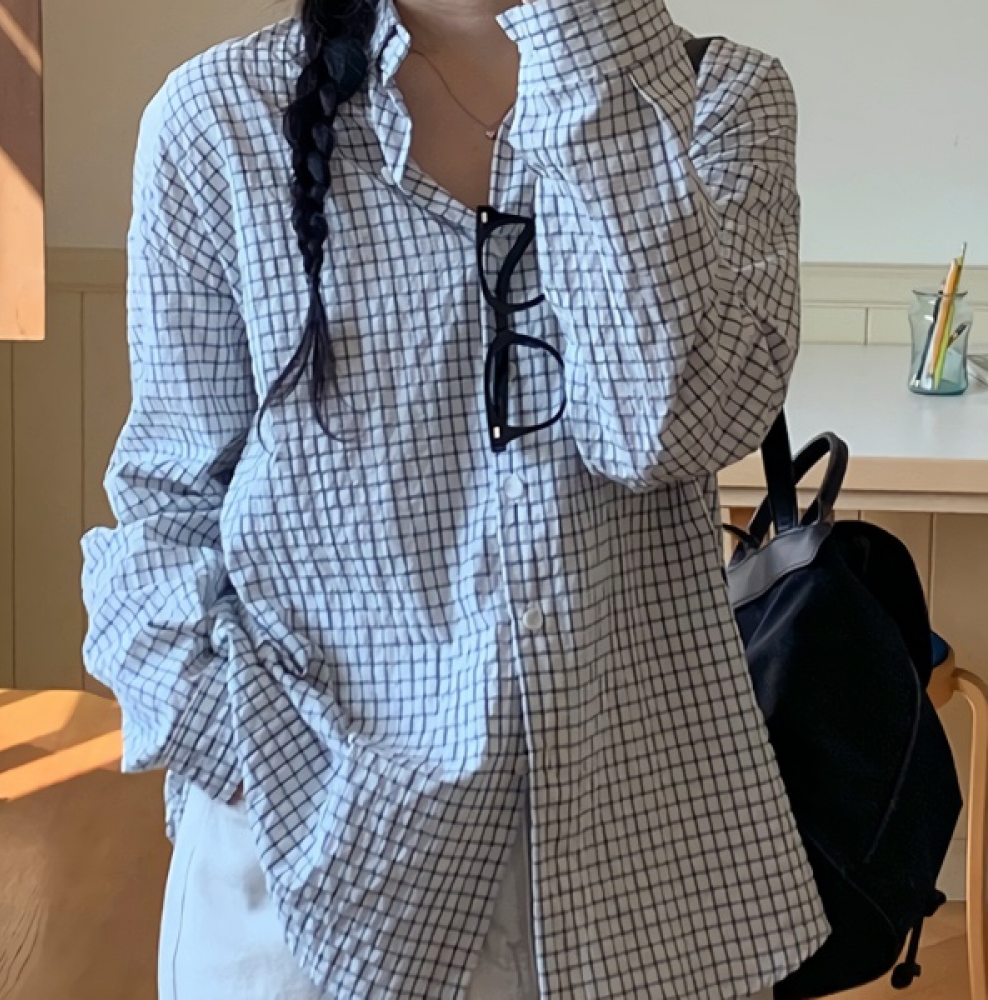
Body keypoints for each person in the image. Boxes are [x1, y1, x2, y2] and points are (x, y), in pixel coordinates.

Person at [80, 0, 832, 995]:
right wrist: (249, 749)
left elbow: (664, 426)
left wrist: (588, 51)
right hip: (314, 872)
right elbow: (170, 503)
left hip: (631, 872)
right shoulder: (224, 112)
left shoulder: (719, 98)